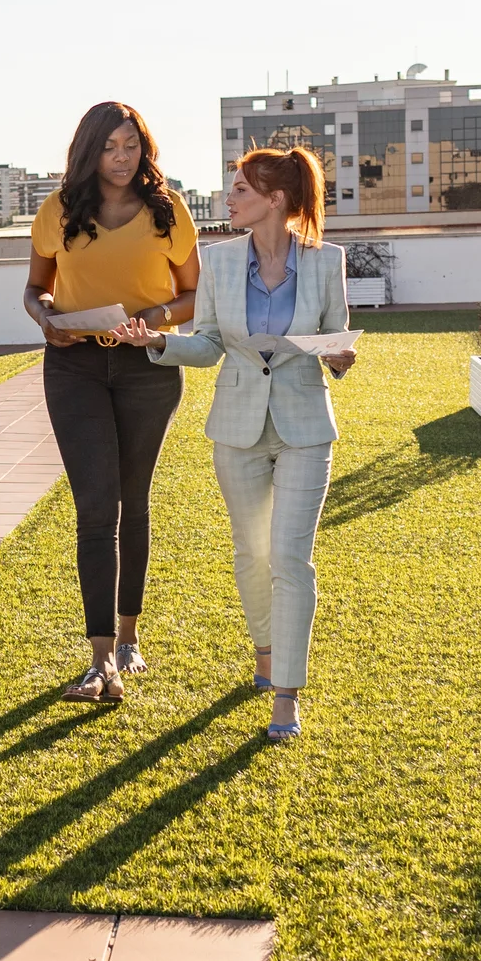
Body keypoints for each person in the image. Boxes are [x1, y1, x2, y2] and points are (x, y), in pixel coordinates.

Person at [116, 147, 356, 742]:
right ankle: (266, 649)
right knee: (252, 554)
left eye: (242, 190)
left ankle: (286, 697)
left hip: (305, 426)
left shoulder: (327, 262)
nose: (230, 198)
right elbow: (206, 344)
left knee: (291, 558)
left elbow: (335, 341)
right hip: (238, 427)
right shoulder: (218, 263)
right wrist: (158, 342)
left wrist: (341, 357)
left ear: (276, 200)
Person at [22, 102, 199, 705]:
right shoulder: (59, 212)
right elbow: (35, 287)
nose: (121, 159)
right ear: (88, 152)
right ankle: (101, 663)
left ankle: (129, 638)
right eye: (110, 148)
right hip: (73, 365)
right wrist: (47, 320)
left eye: (131, 146)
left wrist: (158, 317)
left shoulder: (167, 211)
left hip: (147, 364)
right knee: (95, 505)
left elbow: (193, 295)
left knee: (133, 497)